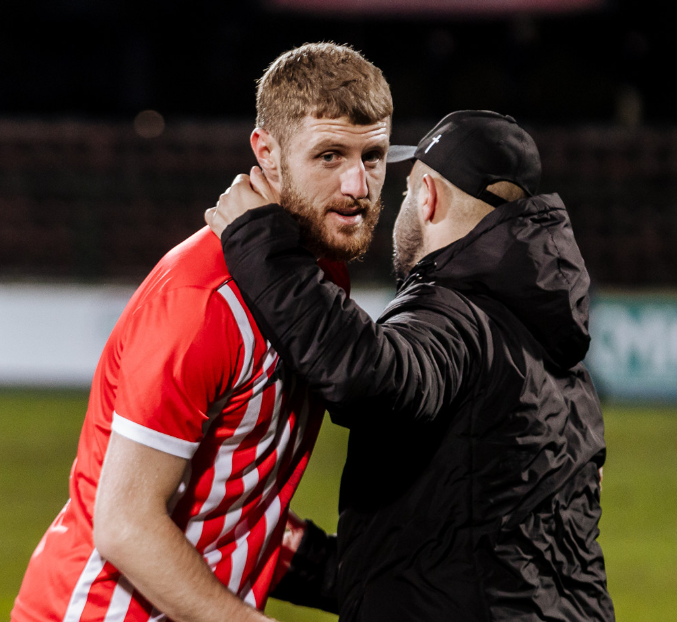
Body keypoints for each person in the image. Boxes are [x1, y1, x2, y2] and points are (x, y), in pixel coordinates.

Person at [12, 42, 392, 622]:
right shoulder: (202, 302)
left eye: (373, 157)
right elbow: (126, 524)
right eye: (329, 157)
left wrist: (349, 576)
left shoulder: (319, 279)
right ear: (266, 153)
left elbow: (231, 495)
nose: (358, 187)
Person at [206, 110, 615, 621]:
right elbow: (467, 567)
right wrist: (300, 558)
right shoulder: (556, 354)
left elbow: (367, 376)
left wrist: (257, 242)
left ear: (427, 197)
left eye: (403, 193)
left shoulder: (456, 314)